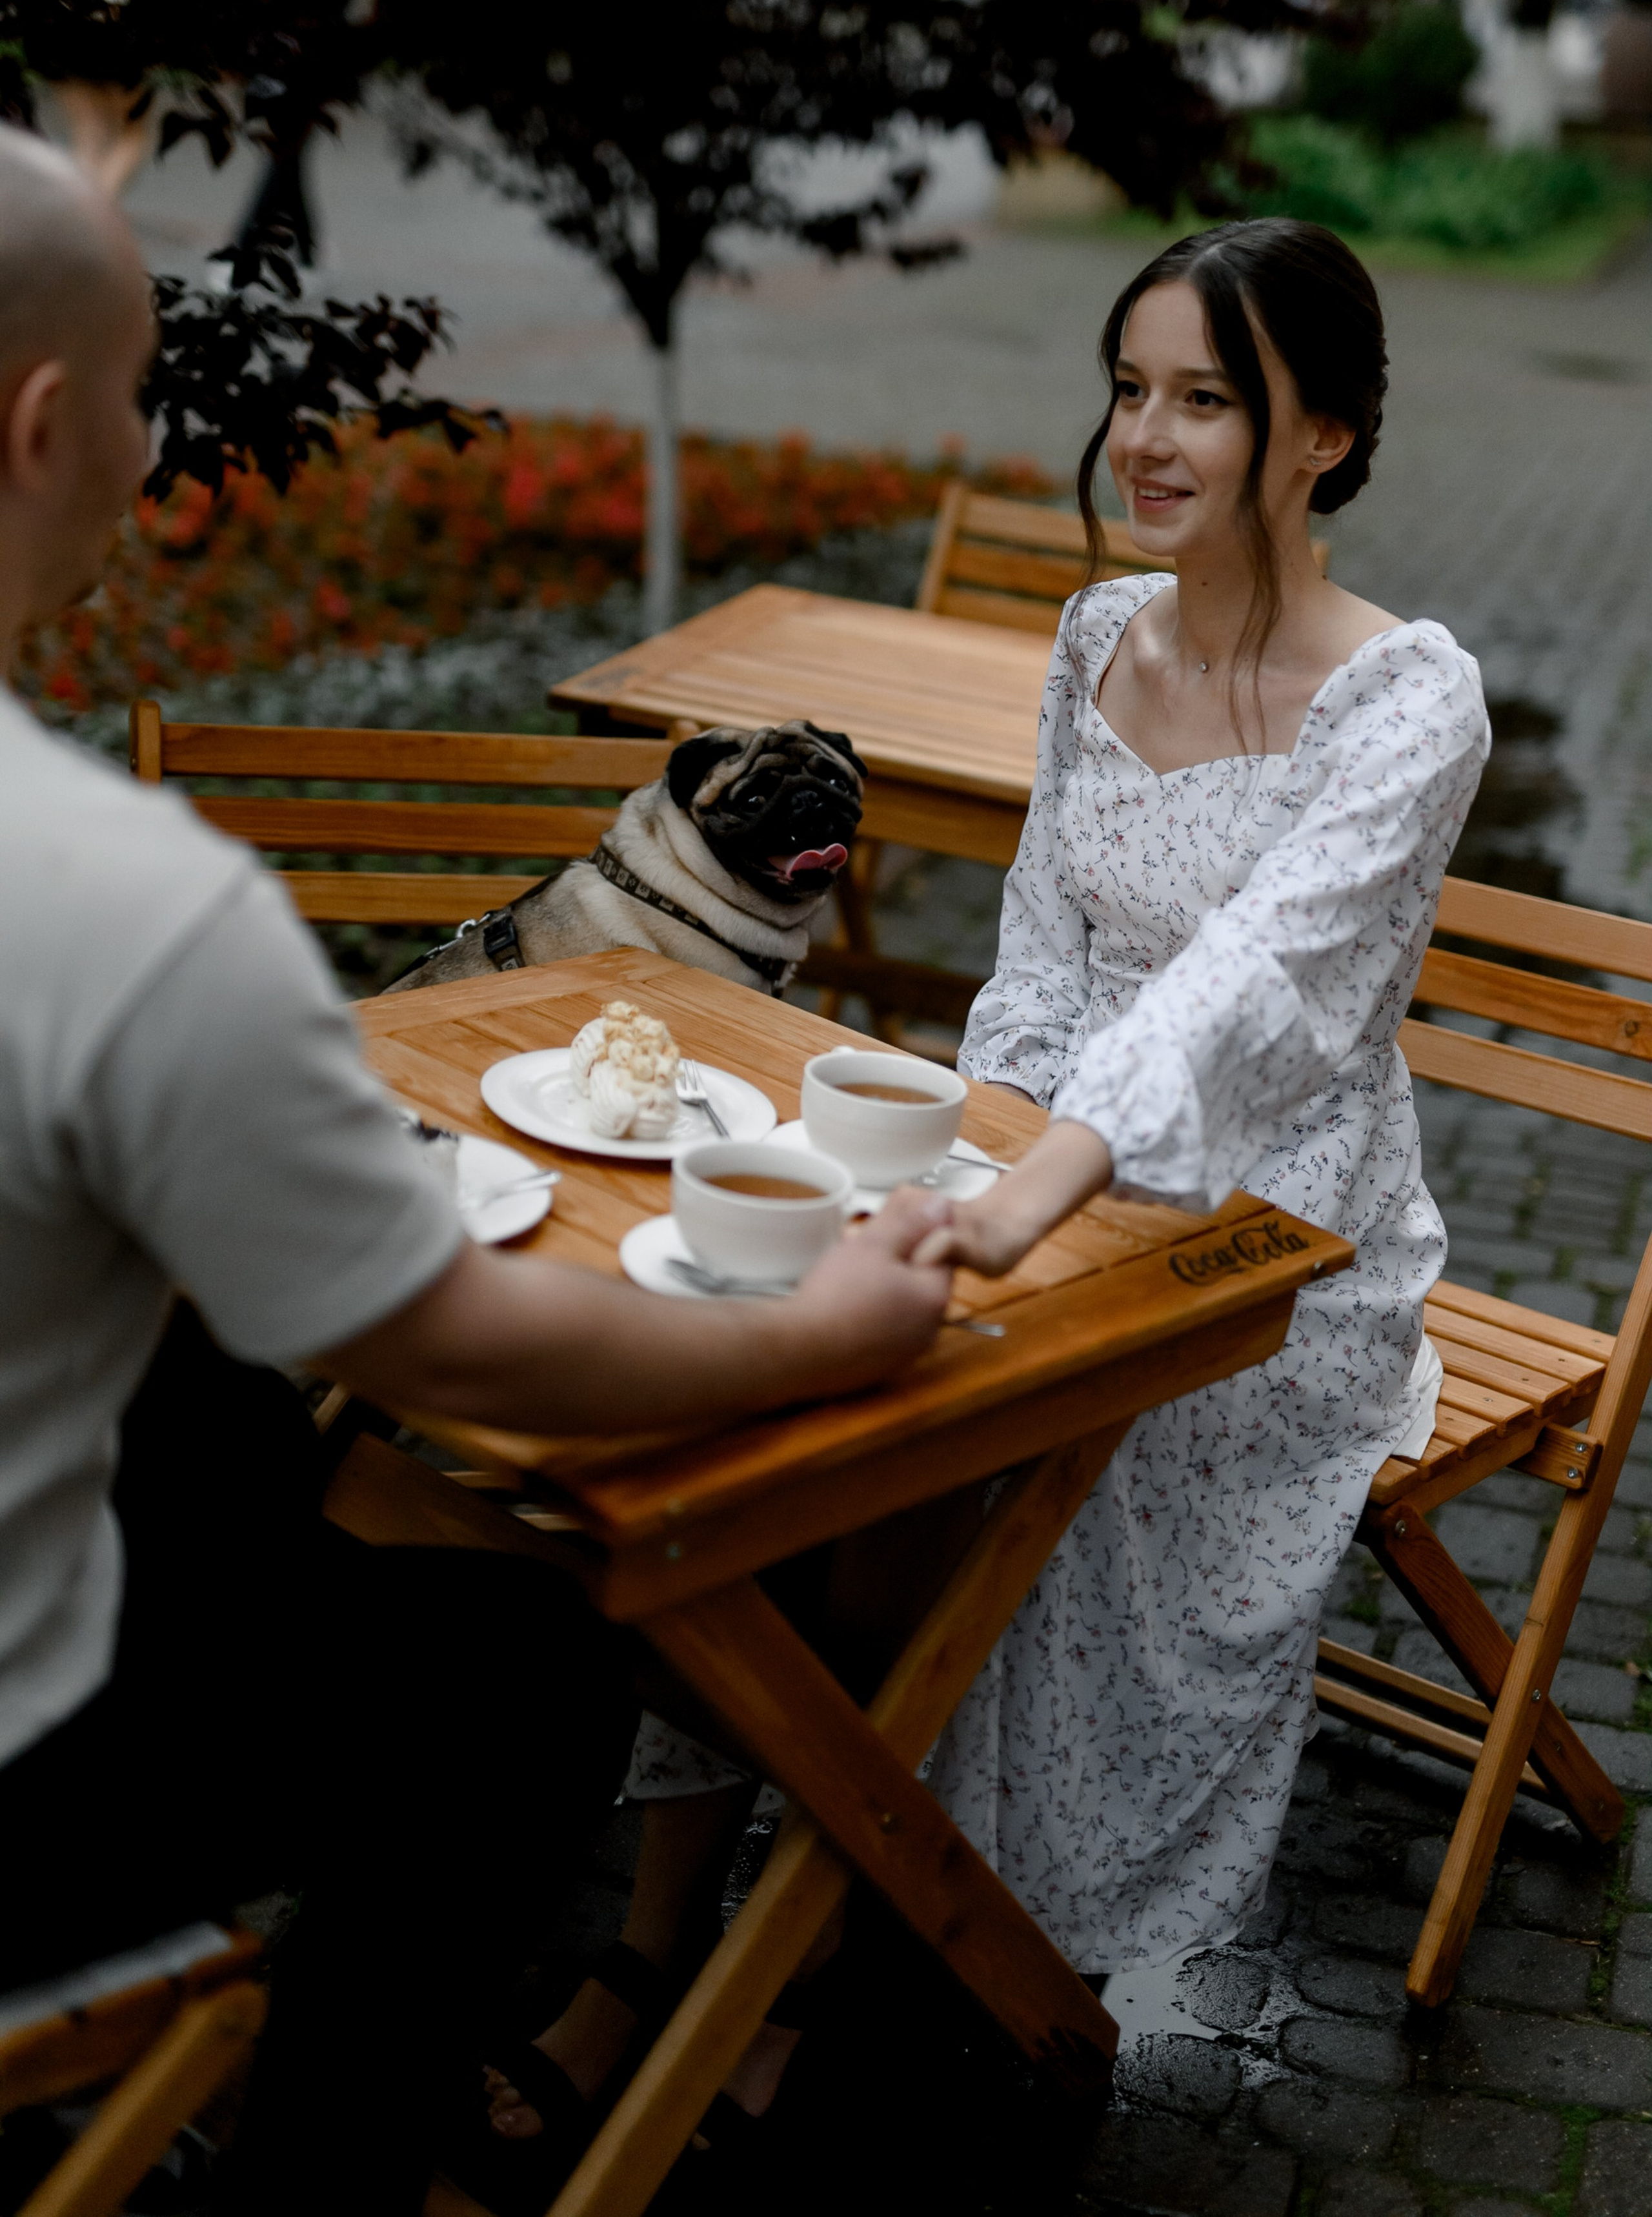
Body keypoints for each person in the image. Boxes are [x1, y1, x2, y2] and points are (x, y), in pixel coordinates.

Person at [0, 124, 953, 2214]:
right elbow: (469, 1332)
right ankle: (325, 2168)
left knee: (242, 1420)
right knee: (517, 1663)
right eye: (144, 392)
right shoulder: (116, 907)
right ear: (45, 423)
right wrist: (826, 1327)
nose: (153, 446)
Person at [905, 216, 1490, 1978]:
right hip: (1063, 1148)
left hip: (1292, 1216)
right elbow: (1034, 951)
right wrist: (983, 1154)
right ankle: (817, 1860)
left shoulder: (1410, 697)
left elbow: (1262, 987)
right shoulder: (1097, 635)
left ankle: (988, 1922)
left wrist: (1042, 1196)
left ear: (1327, 434)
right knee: (866, 1400)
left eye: (1207, 400)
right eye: (1129, 390)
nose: (1145, 440)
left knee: (1072, 1439)